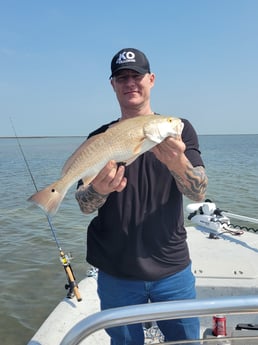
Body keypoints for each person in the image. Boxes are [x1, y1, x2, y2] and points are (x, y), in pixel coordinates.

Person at [75, 48, 208, 345]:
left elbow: (198, 191)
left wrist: (177, 163)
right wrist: (99, 189)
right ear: (113, 85)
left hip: (171, 268)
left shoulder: (179, 130)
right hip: (116, 270)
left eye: (136, 76)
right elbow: (84, 204)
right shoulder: (99, 138)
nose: (130, 82)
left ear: (151, 79)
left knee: (186, 341)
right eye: (122, 77)